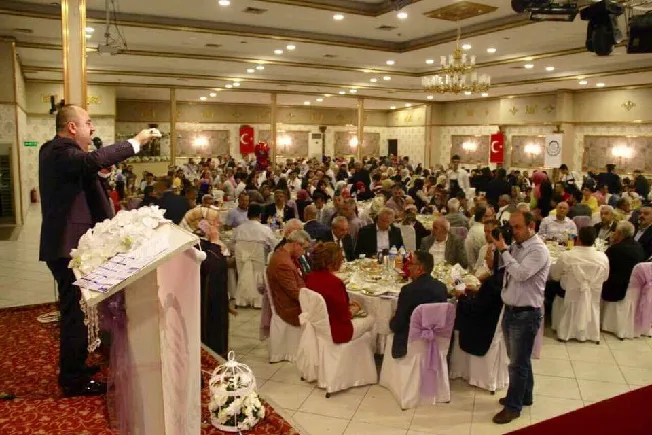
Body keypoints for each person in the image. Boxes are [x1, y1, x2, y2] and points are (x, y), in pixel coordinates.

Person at [39, 105, 159, 397]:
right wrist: (136, 142)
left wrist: (101, 174)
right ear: (72, 127)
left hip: (72, 244)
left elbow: (84, 178)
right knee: (75, 313)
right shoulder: (58, 150)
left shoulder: (66, 154)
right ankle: (73, 379)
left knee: (80, 311)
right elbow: (90, 161)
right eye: (88, 123)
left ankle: (76, 366)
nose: (92, 128)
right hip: (68, 246)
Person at [490, 211, 551, 424]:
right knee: (519, 359)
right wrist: (500, 249)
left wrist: (504, 250)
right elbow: (505, 270)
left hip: (526, 313)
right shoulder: (517, 246)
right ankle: (525, 395)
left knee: (517, 364)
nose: (513, 231)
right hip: (511, 309)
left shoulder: (538, 250)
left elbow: (521, 274)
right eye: (511, 226)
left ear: (531, 226)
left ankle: (513, 407)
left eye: (518, 227)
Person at [305, 242, 375, 343]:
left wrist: (347, 305)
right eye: (341, 258)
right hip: (337, 332)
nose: (342, 261)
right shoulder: (335, 283)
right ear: (334, 261)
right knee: (373, 318)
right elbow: (344, 316)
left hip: (316, 327)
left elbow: (326, 303)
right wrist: (355, 309)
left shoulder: (309, 277)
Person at [389, 251, 448, 358]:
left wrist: (390, 322)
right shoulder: (442, 288)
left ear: (419, 268)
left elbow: (398, 324)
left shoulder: (408, 290)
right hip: (435, 338)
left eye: (411, 263)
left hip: (411, 342)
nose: (408, 267)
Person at [195, 209, 236, 357]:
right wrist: (214, 243)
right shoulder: (198, 245)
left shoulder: (212, 244)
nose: (219, 224)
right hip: (207, 300)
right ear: (202, 224)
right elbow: (210, 266)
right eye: (214, 222)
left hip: (218, 296)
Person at [546, 227, 609, 323]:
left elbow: (555, 276)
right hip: (593, 293)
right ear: (594, 240)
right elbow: (605, 278)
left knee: (549, 285)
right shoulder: (603, 257)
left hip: (568, 293)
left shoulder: (566, 256)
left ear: (578, 239)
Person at [455, 241, 505, 357]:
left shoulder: (492, 282)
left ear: (497, 259)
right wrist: (477, 290)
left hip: (483, 329)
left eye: (488, 255)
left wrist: (461, 296)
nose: (485, 258)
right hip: (493, 321)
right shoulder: (503, 277)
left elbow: (475, 308)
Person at [266, 230, 311, 327]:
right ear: (296, 244)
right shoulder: (283, 263)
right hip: (291, 309)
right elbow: (294, 293)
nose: (304, 252)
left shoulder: (282, 253)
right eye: (304, 248)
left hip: (290, 301)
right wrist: (315, 298)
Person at [602, 221, 646, 302]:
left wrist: (612, 244)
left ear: (619, 233)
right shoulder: (639, 247)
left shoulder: (615, 249)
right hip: (633, 290)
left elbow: (604, 266)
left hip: (614, 290)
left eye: (615, 231)